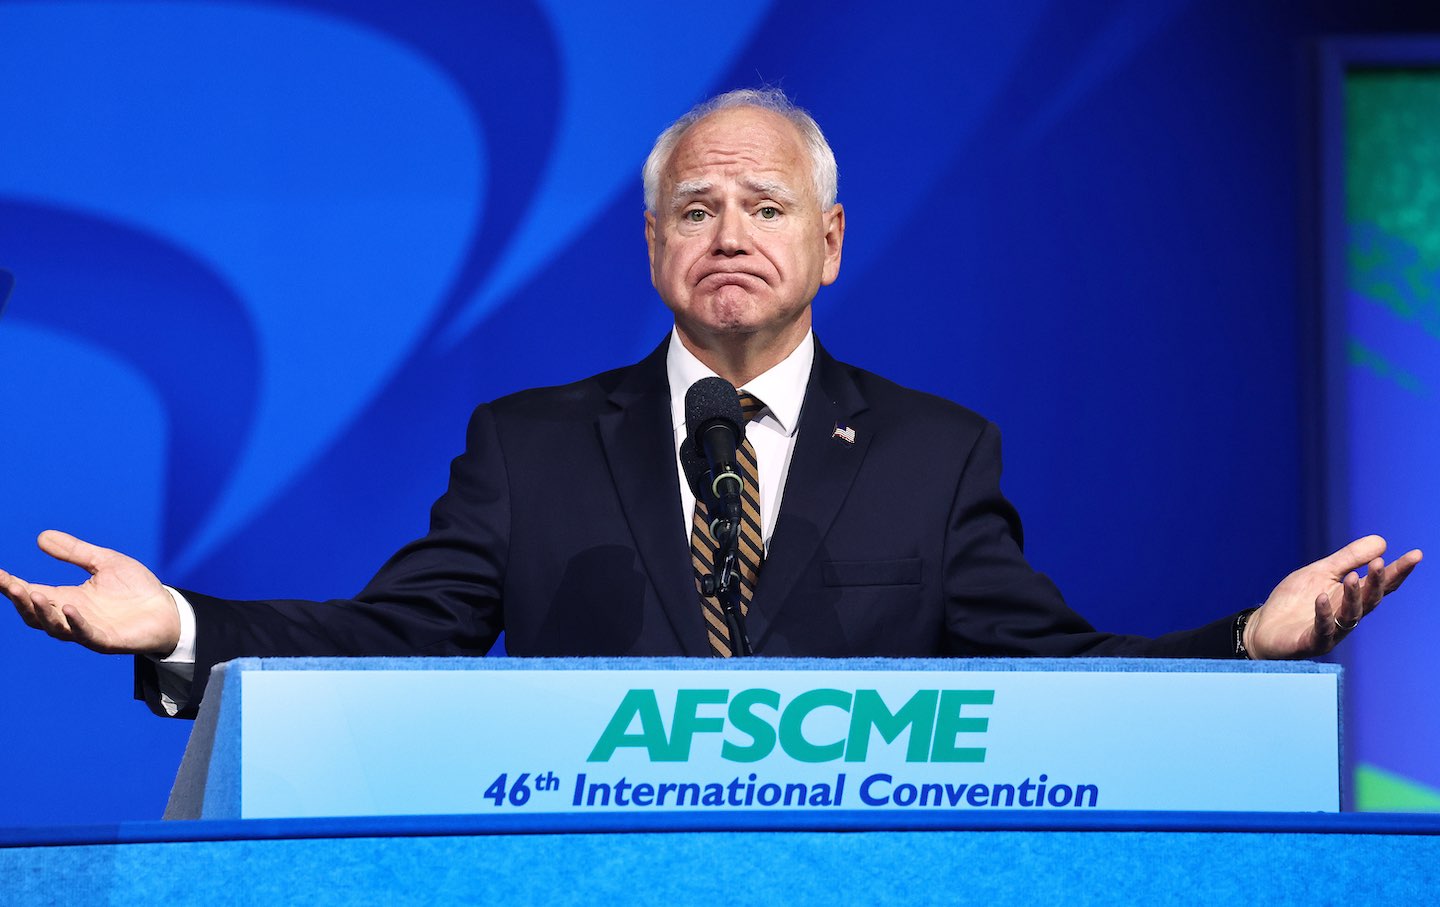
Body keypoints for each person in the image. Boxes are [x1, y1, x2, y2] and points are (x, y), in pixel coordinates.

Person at [1, 89, 1423, 719]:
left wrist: (1246, 644)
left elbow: (1051, 673)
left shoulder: (935, 453)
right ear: (651, 249)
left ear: (830, 243)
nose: (729, 231)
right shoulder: (530, 441)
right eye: (694, 207)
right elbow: (394, 637)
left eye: (764, 204)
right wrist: (183, 624)